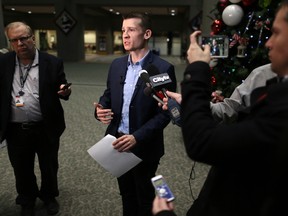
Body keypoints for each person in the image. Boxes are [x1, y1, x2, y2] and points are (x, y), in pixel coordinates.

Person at [153, 0, 288, 215]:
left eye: (277, 33)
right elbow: (228, 109)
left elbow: (202, 143)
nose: (268, 43)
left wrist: (197, 70)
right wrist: (191, 103)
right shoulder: (262, 74)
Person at [94, 12, 177, 216]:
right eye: (123, 30)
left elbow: (165, 113)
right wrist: (99, 110)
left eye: (131, 30)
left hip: (144, 144)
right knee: (126, 193)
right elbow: (108, 95)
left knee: (144, 195)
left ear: (146, 33)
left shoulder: (162, 68)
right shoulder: (116, 65)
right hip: (117, 141)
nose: (125, 35)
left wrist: (137, 137)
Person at [0, 22, 71, 216]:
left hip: (45, 125)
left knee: (48, 165)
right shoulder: (4, 62)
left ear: (33, 37)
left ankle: (49, 196)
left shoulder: (52, 62)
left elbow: (62, 87)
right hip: (15, 128)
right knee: (21, 167)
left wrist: (65, 91)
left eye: (23, 38)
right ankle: (27, 200)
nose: (20, 43)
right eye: (14, 40)